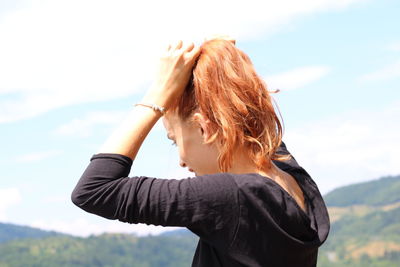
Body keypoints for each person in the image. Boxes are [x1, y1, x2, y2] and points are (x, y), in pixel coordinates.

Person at [71, 38, 330, 267]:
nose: (181, 161)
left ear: (204, 128)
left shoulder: (233, 197)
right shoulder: (294, 179)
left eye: (174, 140)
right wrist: (220, 64)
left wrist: (157, 94)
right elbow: (255, 130)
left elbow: (94, 190)